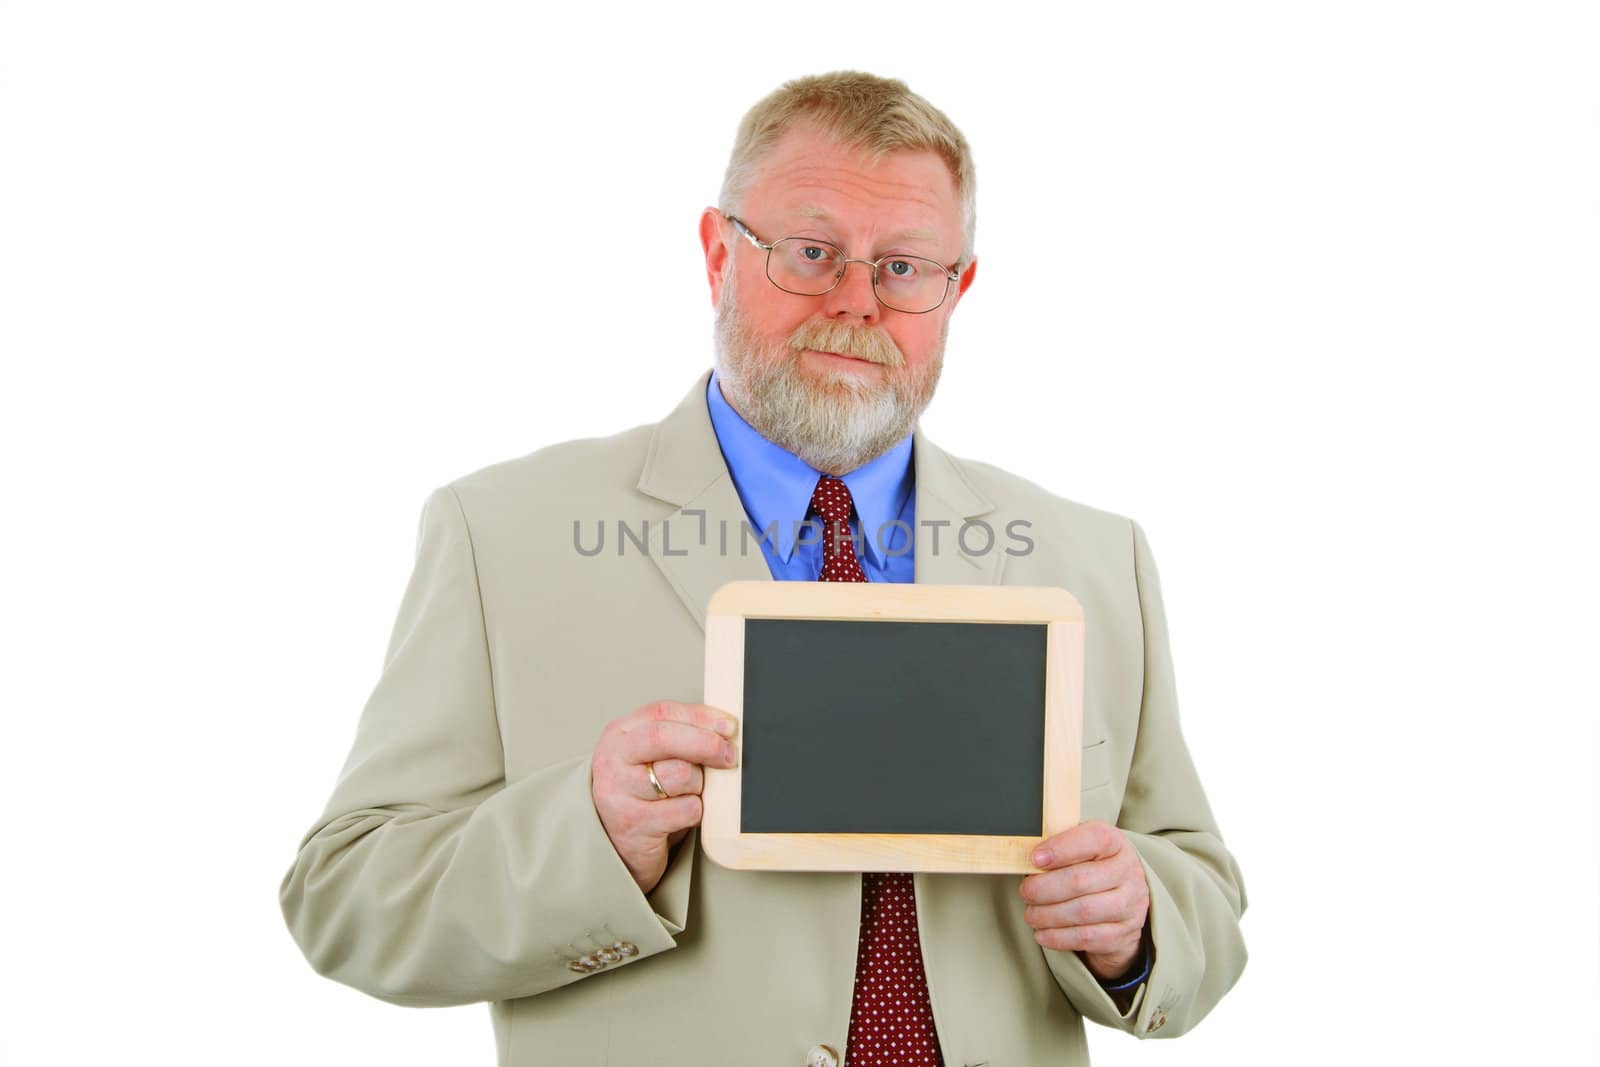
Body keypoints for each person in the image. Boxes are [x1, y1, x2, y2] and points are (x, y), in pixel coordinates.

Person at [279, 71, 1247, 1067]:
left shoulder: (1093, 555)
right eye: (812, 253)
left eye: (906, 266)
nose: (857, 301)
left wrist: (1137, 924)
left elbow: (1204, 897)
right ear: (716, 254)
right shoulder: (501, 533)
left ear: (957, 289)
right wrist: (589, 836)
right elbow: (346, 898)